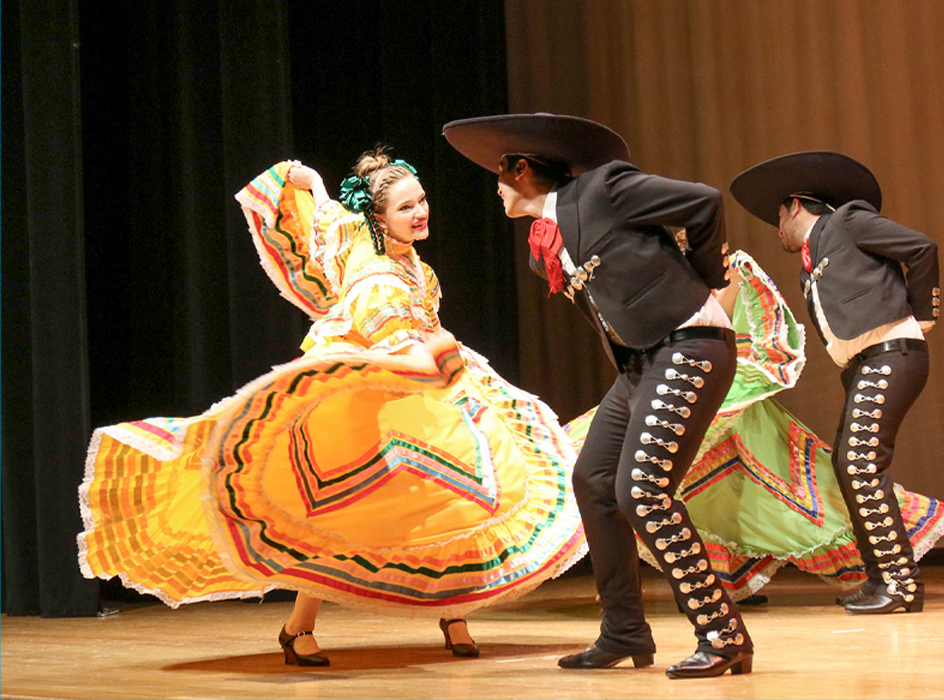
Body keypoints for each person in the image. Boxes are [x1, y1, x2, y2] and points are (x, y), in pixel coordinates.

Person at [78, 150, 587, 666]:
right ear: (379, 217)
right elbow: (369, 305)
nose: (420, 212)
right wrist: (429, 356)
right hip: (370, 401)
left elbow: (331, 216)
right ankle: (299, 625)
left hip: (427, 397)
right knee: (342, 511)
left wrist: (317, 184)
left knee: (461, 497)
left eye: (422, 200)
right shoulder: (370, 268)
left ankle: (453, 612)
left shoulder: (411, 264)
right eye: (406, 206)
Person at [444, 113, 753, 679]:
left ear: (522, 169)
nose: (494, 183)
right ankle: (623, 631)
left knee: (643, 492)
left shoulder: (603, 187)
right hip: (642, 363)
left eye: (499, 171)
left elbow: (704, 201)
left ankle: (722, 632)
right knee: (591, 479)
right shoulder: (549, 239)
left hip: (691, 345)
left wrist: (706, 273)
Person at [563, 246, 944, 603]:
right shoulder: (662, 278)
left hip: (729, 397)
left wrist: (749, 374)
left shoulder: (730, 270)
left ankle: (888, 571)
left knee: (758, 492)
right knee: (701, 490)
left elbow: (755, 333)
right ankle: (711, 580)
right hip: (683, 391)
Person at [729, 150, 942, 614]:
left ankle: (901, 586)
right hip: (865, 363)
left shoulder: (846, 221)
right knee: (850, 466)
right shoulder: (815, 255)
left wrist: (924, 314)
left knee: (860, 464)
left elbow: (921, 247)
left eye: (777, 217)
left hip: (891, 354)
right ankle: (881, 577)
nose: (777, 228)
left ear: (796, 205)